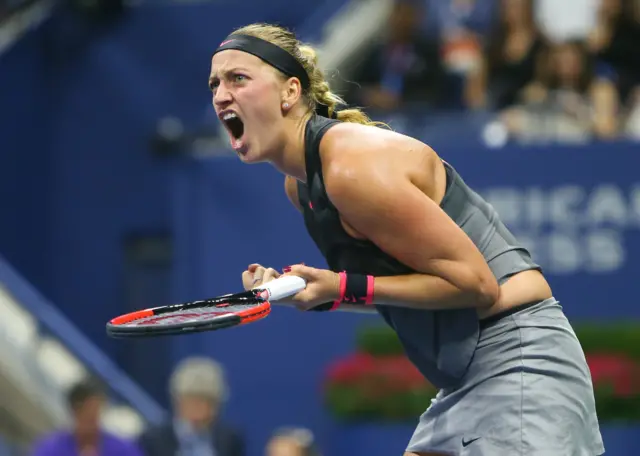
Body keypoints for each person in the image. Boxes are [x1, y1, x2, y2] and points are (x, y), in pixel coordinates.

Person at [208, 23, 605, 456]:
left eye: (238, 78)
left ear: (290, 92)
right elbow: (407, 285)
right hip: (466, 373)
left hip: (517, 357)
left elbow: (475, 284)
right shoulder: (300, 186)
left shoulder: (350, 169)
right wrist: (315, 293)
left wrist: (341, 288)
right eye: (215, 83)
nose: (221, 95)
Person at [137, 356, 245, 456]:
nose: (200, 414)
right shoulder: (152, 440)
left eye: (208, 403)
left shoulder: (230, 440)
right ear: (178, 401)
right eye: (193, 403)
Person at [31, 378, 143, 456]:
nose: (93, 420)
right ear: (75, 412)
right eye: (88, 414)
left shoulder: (122, 450)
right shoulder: (51, 448)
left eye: (97, 412)